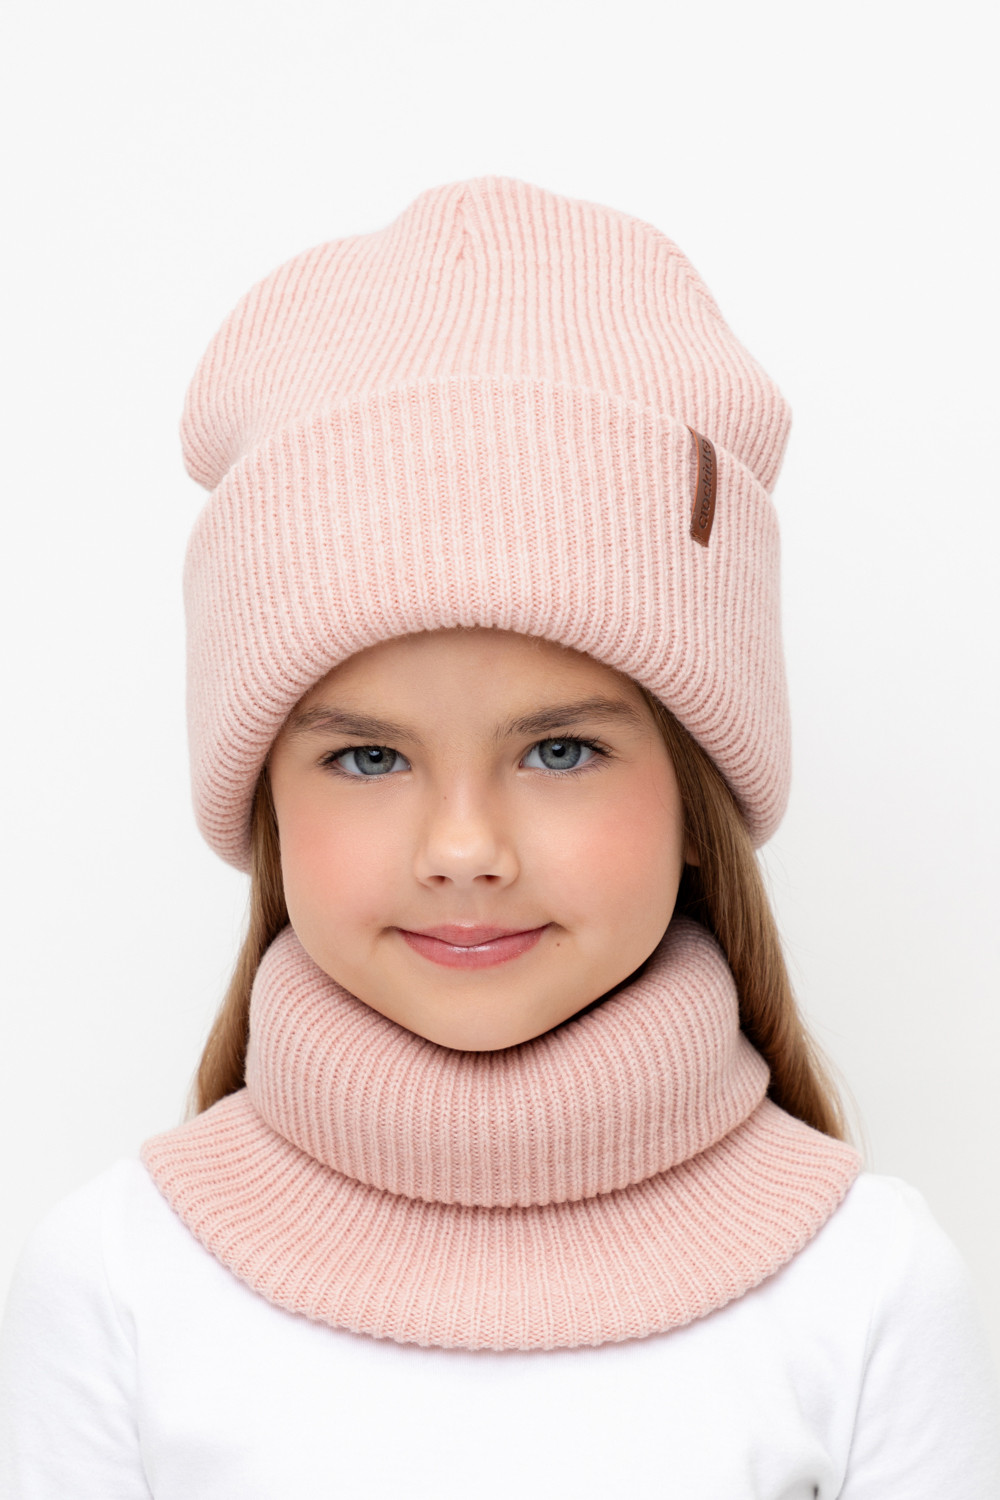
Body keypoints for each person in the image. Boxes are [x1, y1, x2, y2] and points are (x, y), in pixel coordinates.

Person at [1, 176, 997, 1498]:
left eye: (560, 751)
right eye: (368, 757)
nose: (464, 846)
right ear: (269, 805)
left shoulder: (870, 1285)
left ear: (697, 802)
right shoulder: (117, 1281)